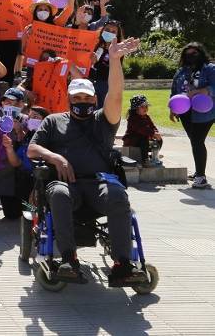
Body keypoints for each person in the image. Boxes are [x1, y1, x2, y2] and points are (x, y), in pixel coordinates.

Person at [27, 36, 146, 285]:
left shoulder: (104, 120)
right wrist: (55, 156)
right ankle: (69, 259)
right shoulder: (53, 121)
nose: (82, 102)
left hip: (97, 184)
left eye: (87, 98)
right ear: (69, 99)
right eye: (77, 98)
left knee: (117, 195)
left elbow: (116, 93)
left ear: (94, 99)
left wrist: (114, 60)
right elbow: (32, 149)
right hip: (65, 184)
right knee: (58, 194)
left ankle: (122, 265)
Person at [170, 42, 215, 189]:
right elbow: (175, 89)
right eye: (187, 54)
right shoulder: (181, 70)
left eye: (194, 53)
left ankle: (201, 177)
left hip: (204, 112)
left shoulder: (209, 68)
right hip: (185, 112)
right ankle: (199, 172)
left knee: (197, 141)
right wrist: (173, 108)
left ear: (201, 53)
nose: (191, 57)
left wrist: (199, 91)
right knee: (195, 141)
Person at [122, 95, 163, 168]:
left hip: (143, 138)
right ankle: (145, 160)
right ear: (136, 109)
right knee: (143, 138)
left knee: (158, 139)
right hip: (132, 140)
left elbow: (152, 126)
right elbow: (141, 129)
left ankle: (154, 155)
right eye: (142, 107)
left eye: (146, 106)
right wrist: (152, 134)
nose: (146, 109)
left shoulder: (146, 117)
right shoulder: (133, 118)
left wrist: (156, 133)